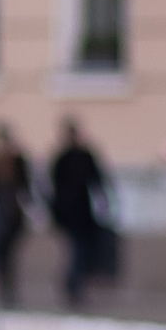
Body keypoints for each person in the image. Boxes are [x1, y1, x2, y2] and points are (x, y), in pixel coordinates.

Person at [47, 116, 114, 307]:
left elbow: (97, 181)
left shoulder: (78, 157)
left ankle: (73, 285)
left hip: (81, 214)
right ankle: (73, 286)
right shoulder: (64, 158)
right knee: (78, 250)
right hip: (71, 215)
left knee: (80, 251)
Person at [0, 124, 32, 305]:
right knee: (2, 254)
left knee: (9, 254)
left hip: (12, 216)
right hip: (2, 215)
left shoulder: (16, 161)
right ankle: (4, 289)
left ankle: (8, 289)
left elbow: (25, 187)